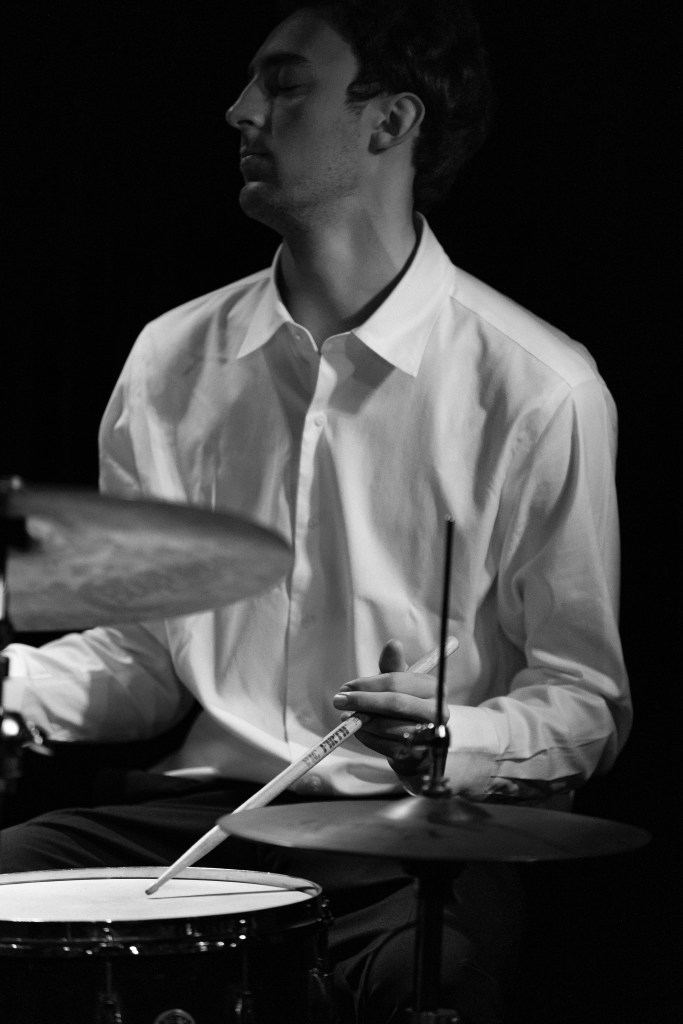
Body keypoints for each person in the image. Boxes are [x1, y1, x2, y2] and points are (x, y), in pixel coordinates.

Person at [1, 1, 631, 1020]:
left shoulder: (538, 388)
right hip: (203, 823)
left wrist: (456, 737)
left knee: (433, 980)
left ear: (390, 122)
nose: (239, 109)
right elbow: (146, 657)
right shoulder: (170, 359)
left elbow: (582, 699)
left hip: (412, 842)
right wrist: (14, 688)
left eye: (285, 85)